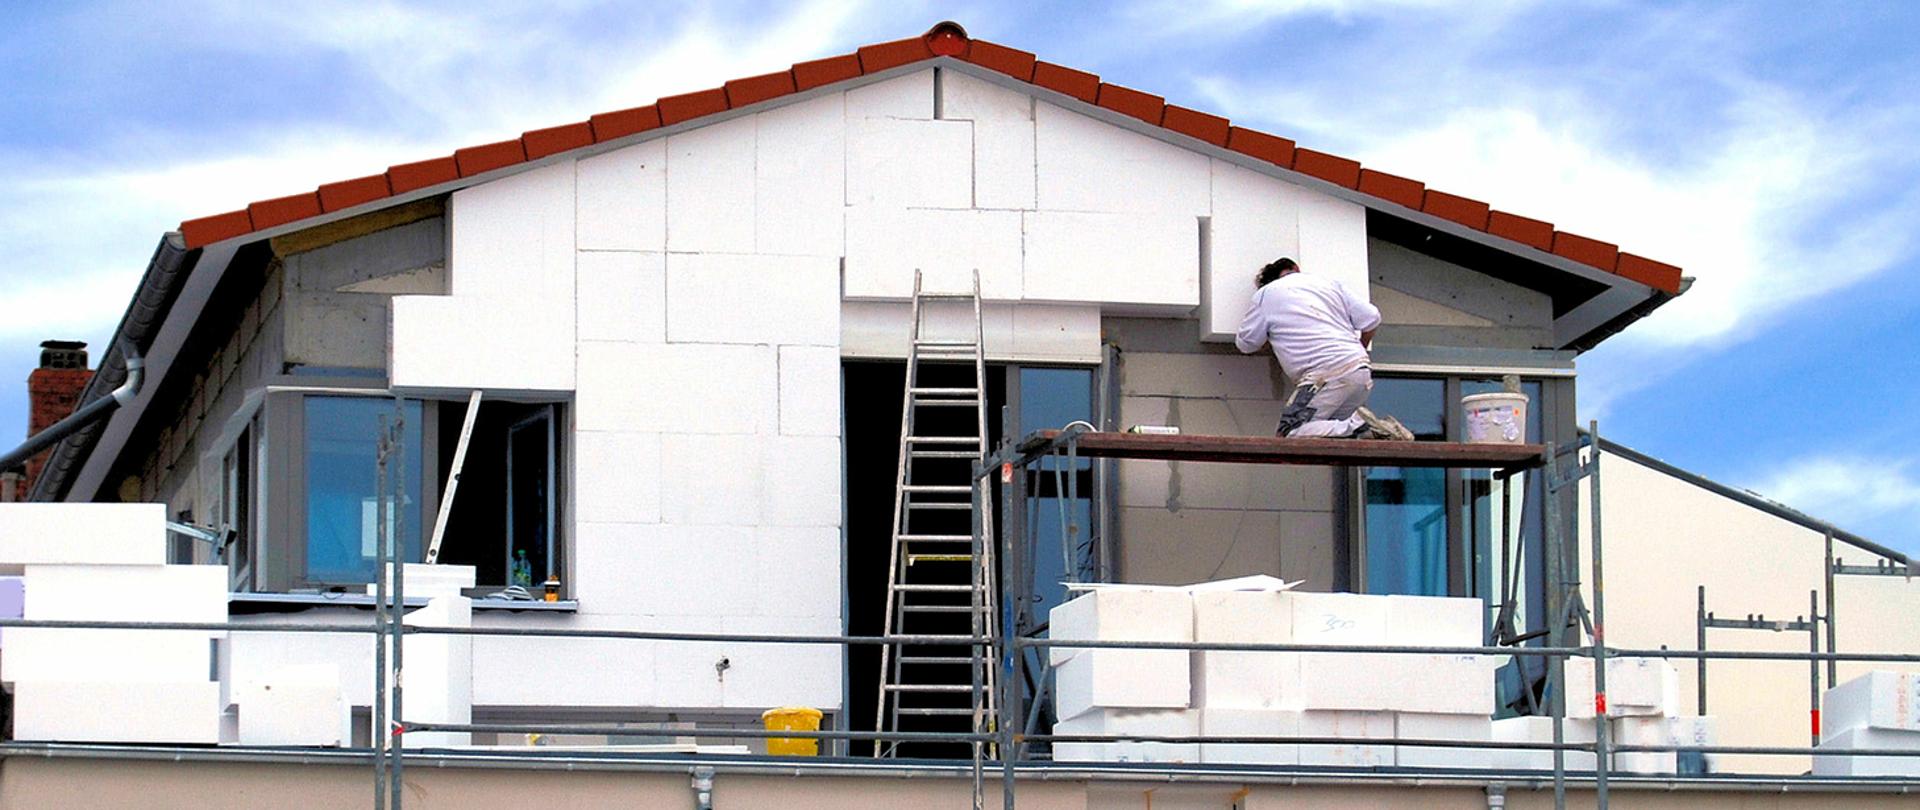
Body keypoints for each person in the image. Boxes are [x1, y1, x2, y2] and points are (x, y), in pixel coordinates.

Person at [1235, 257, 1412, 440]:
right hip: (1360, 372)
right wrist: (1358, 351)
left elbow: (1246, 343)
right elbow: (1372, 318)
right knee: (1331, 433)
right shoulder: (1328, 284)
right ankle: (1374, 430)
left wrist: (1270, 335)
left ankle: (1364, 426)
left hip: (1325, 375)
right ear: (1295, 268)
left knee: (1289, 431)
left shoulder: (1266, 294)